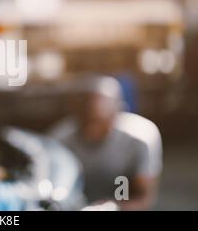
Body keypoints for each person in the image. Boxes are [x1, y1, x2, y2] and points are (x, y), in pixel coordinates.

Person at [49, 76, 163, 210]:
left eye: (100, 122)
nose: (93, 130)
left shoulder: (140, 139)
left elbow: (144, 197)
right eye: (88, 121)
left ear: (119, 112)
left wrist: (114, 207)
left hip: (120, 203)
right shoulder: (58, 141)